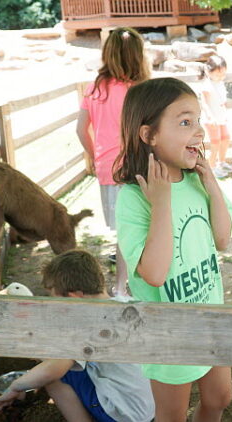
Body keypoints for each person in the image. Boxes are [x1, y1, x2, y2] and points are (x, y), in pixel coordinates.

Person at [113, 77, 232, 422]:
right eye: (185, 122)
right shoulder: (134, 199)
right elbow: (154, 273)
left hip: (210, 315)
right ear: (149, 135)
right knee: (172, 415)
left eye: (198, 120)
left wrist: (211, 184)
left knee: (221, 397)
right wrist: (162, 201)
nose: (199, 131)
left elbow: (223, 240)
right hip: (169, 328)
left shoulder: (198, 181)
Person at [0, 249, 155, 422]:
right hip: (152, 405)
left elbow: (53, 369)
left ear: (74, 296)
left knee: (54, 376)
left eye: (56, 299)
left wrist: (17, 386)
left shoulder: (88, 323)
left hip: (123, 414)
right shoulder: (125, 303)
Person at [76, 27, 150, 297]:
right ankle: (128, 285)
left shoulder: (94, 87)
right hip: (136, 169)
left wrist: (96, 159)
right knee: (138, 228)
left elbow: (80, 130)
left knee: (124, 231)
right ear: (138, 55)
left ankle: (121, 287)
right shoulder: (140, 89)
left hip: (108, 169)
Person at [198, 55, 232, 178]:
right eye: (218, 74)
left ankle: (221, 162)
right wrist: (210, 117)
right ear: (208, 71)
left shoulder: (220, 83)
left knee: (226, 138)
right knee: (215, 142)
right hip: (211, 119)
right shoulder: (207, 85)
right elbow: (205, 103)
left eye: (223, 74)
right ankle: (212, 167)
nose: (221, 77)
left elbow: (222, 100)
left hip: (221, 117)